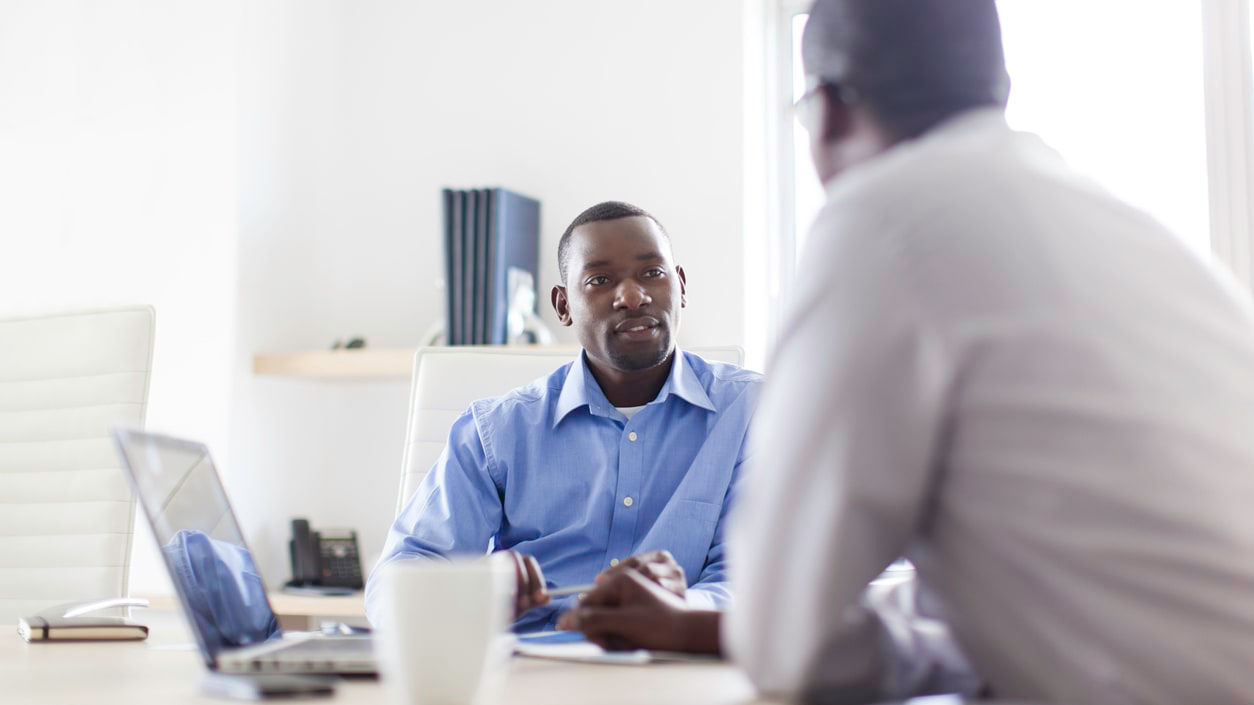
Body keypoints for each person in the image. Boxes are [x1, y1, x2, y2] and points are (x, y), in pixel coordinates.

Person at [559, 1, 1254, 703]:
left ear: (827, 110)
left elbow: (785, 644)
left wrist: (745, 627)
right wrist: (710, 626)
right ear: (997, 90)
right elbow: (994, 615)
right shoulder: (1133, 233)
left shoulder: (883, 218)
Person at [365, 201, 762, 632]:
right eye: (600, 280)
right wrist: (476, 597)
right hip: (532, 671)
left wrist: (681, 607)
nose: (632, 296)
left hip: (677, 667)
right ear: (563, 305)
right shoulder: (495, 432)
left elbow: (756, 582)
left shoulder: (752, 412)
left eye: (653, 273)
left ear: (681, 286)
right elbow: (396, 584)